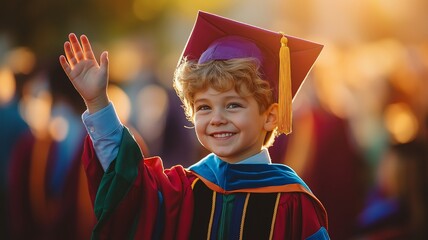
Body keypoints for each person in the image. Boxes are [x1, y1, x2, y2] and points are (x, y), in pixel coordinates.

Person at [59, 11, 329, 239]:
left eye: (233, 104)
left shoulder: (294, 202)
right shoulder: (184, 190)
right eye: (203, 107)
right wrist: (97, 104)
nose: (217, 118)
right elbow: (129, 187)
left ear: (270, 116)